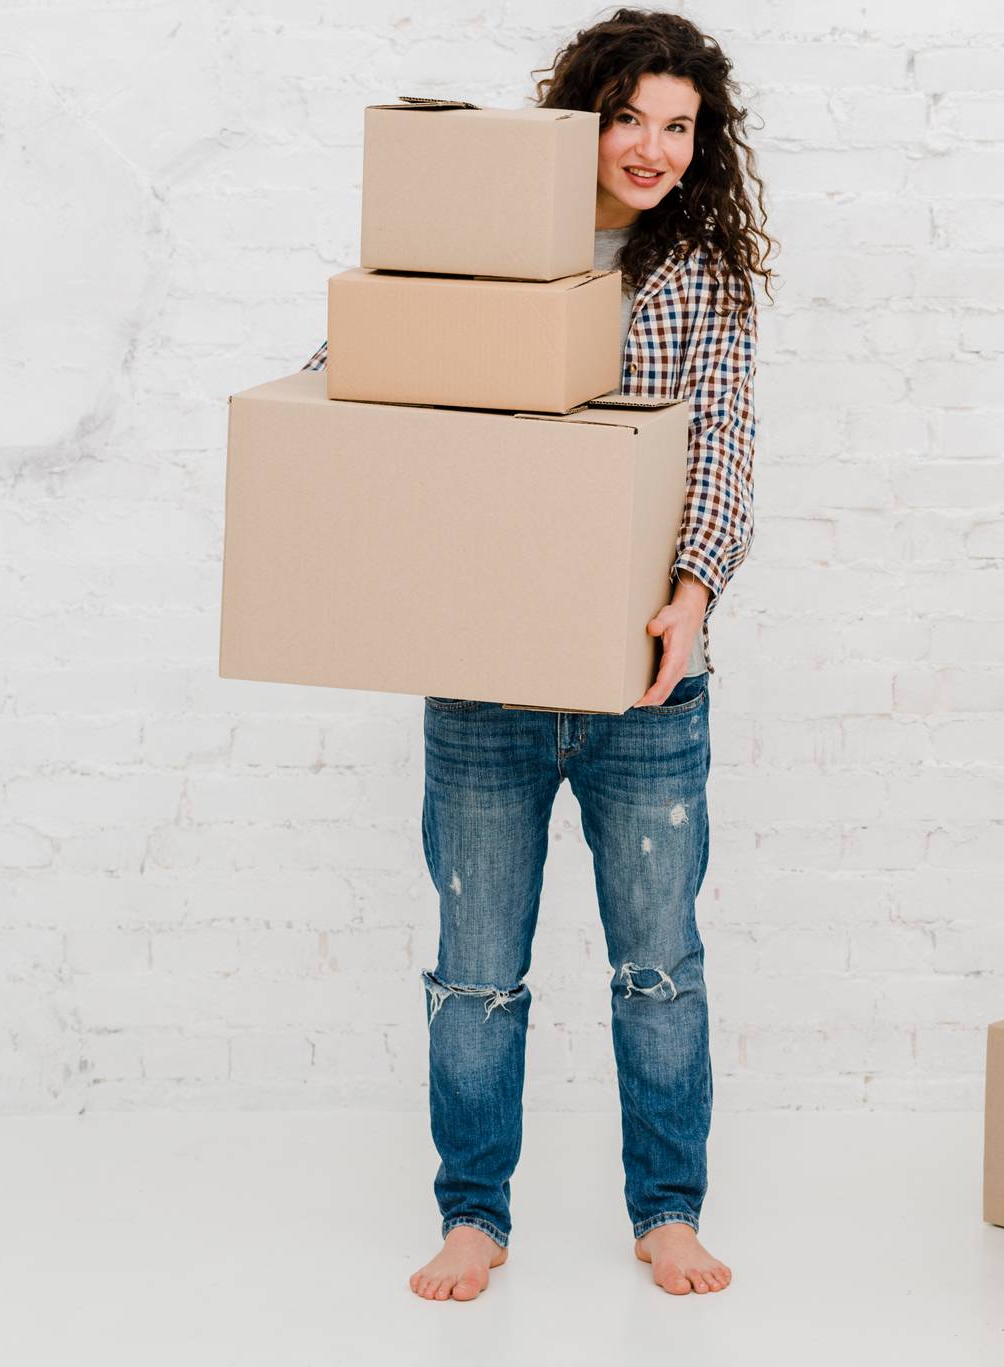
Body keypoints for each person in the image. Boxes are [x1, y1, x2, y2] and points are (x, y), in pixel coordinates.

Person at [305, 8, 771, 1303]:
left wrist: (691, 598)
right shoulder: (495, 255)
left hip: (645, 691)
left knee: (660, 966)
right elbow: (374, 361)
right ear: (583, 118)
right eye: (631, 117)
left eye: (680, 127)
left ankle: (666, 1213)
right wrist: (321, 404)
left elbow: (725, 449)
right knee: (476, 976)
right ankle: (475, 1217)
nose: (654, 149)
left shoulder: (702, 278)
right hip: (486, 688)